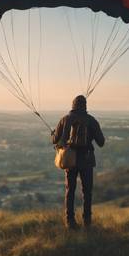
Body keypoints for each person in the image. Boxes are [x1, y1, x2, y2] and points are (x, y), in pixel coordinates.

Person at [52, 95, 105, 229]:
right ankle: (87, 221)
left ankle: (70, 221)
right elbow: (101, 142)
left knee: (70, 189)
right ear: (85, 105)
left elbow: (54, 140)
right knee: (87, 191)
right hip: (87, 159)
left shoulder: (65, 119)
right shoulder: (91, 120)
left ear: (73, 105)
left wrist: (54, 134)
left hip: (70, 159)